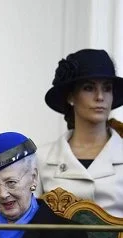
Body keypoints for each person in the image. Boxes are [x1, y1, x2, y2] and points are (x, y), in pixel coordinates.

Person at [36, 49, 123, 217]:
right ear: (70, 96)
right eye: (89, 88)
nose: (100, 97)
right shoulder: (41, 158)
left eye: (107, 88)